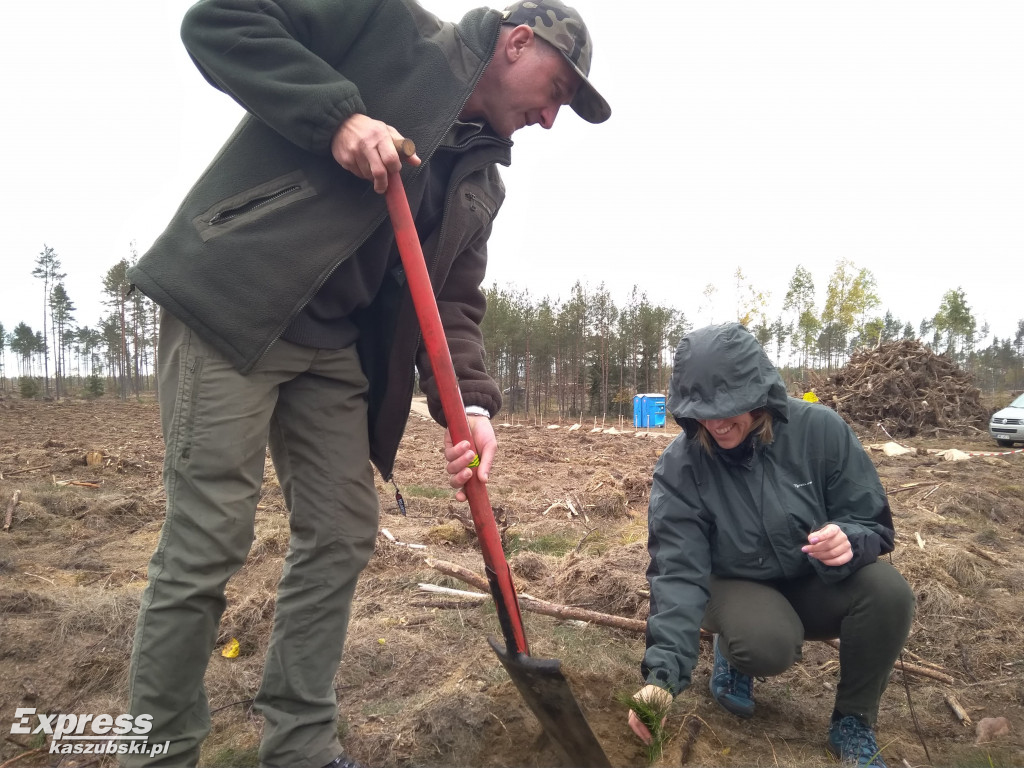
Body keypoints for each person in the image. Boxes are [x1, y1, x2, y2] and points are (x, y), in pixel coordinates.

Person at [123, 1, 609, 766]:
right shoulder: (386, 28)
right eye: (557, 92)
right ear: (519, 43)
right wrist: (339, 119)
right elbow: (219, 21)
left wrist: (474, 404)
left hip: (330, 345)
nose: (552, 118)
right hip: (234, 302)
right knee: (209, 539)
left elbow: (451, 300)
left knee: (345, 530)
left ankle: (301, 746)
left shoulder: (481, 180)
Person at [628, 323, 915, 768]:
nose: (717, 424)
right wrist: (661, 680)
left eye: (730, 408)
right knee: (767, 644)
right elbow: (677, 572)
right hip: (733, 584)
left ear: (759, 393)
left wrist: (850, 540)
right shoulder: (681, 466)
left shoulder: (820, 430)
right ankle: (733, 656)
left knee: (888, 592)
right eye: (703, 411)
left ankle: (853, 721)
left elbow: (871, 522)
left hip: (812, 578)